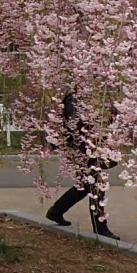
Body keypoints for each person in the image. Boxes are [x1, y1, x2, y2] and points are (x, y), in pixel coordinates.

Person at [45, 91, 121, 241]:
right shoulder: (75, 98)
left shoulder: (94, 94)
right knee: (95, 185)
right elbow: (75, 126)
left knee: (86, 184)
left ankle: (56, 211)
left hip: (91, 146)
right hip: (82, 148)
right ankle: (100, 227)